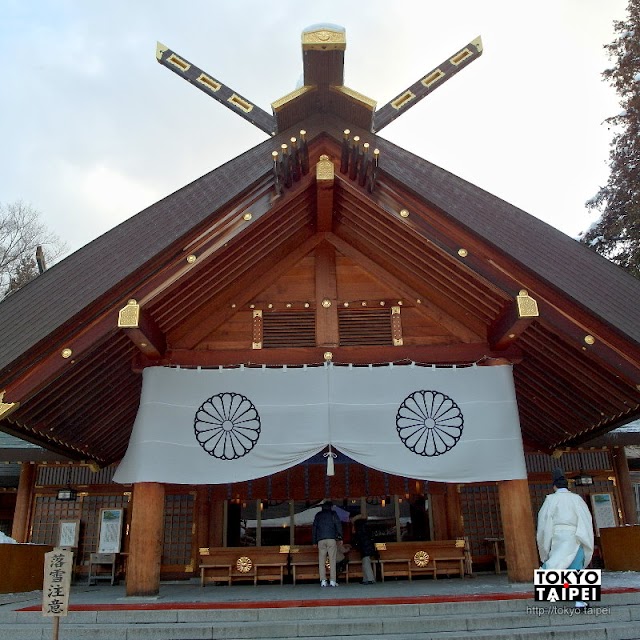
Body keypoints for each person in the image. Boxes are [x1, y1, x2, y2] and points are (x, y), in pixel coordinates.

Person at [536, 468, 595, 610]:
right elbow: (586, 519)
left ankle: (554, 594)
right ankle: (579, 600)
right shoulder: (577, 499)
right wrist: (584, 536)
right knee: (575, 569)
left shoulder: (551, 500)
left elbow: (544, 523)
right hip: (576, 535)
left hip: (557, 537)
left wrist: (545, 543)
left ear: (554, 486)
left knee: (555, 565)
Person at [312, 500, 343, 587]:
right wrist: (340, 537)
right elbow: (338, 525)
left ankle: (323, 581)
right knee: (332, 560)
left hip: (321, 539)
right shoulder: (333, 514)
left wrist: (314, 541)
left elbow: (314, 529)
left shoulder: (318, 515)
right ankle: (333, 580)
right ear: (330, 507)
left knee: (321, 561)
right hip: (331, 539)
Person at [351, 514, 377, 584]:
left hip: (364, 547)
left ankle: (370, 579)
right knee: (366, 563)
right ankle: (366, 578)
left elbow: (357, 538)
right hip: (367, 547)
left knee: (366, 563)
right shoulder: (365, 527)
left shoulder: (359, 528)